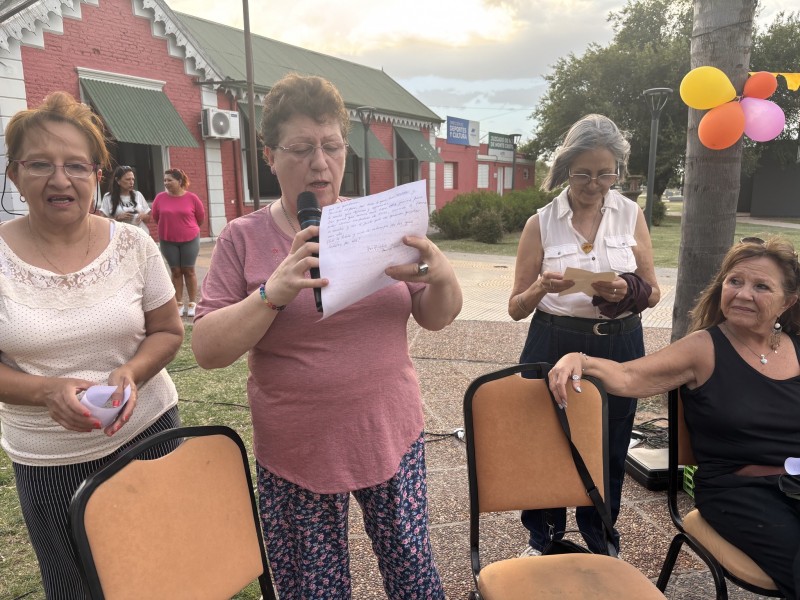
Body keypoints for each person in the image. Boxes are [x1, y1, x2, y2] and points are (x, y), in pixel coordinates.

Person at [192, 73, 462, 599]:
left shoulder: (378, 223)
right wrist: (271, 292)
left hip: (389, 434)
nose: (320, 163)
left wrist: (443, 276)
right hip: (300, 451)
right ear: (269, 155)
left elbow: (435, 317)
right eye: (301, 149)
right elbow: (207, 349)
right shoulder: (243, 238)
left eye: (332, 146)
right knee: (314, 589)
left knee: (413, 571)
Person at [0, 91, 184, 598]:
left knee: (164, 568)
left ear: (96, 175)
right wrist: (45, 391)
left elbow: (168, 331)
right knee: (76, 583)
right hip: (50, 459)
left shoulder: (133, 245)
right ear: (15, 174)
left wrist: (132, 372)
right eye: (40, 164)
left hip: (148, 433)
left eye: (77, 166)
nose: (61, 179)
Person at [549, 235, 800, 600]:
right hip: (739, 491)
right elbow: (630, 376)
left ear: (788, 302)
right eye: (735, 281)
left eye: (761, 286)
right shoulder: (704, 347)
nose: (743, 294)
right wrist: (580, 360)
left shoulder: (796, 347)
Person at [508, 114, 661, 556]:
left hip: (620, 342)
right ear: (565, 169)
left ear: (618, 170)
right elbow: (516, 308)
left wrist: (626, 288)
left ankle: (600, 539)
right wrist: (540, 287)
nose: (594, 184)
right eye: (583, 174)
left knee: (610, 443)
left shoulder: (631, 214)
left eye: (605, 173)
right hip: (553, 336)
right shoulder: (541, 222)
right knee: (548, 440)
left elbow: (652, 294)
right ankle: (544, 537)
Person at [150, 168, 205, 318]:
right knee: (175, 271)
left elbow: (200, 218)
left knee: (189, 270)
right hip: (167, 239)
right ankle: (179, 303)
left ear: (179, 181)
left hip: (190, 238)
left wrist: (187, 228)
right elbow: (156, 217)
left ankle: (192, 303)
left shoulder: (192, 198)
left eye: (170, 180)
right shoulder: (160, 198)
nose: (166, 183)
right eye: (165, 180)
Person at [99, 165, 152, 233]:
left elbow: (148, 219)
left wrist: (143, 216)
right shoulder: (108, 197)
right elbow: (103, 222)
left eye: (133, 179)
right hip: (121, 236)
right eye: (128, 179)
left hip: (140, 235)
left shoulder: (138, 195)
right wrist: (117, 218)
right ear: (118, 180)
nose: (131, 182)